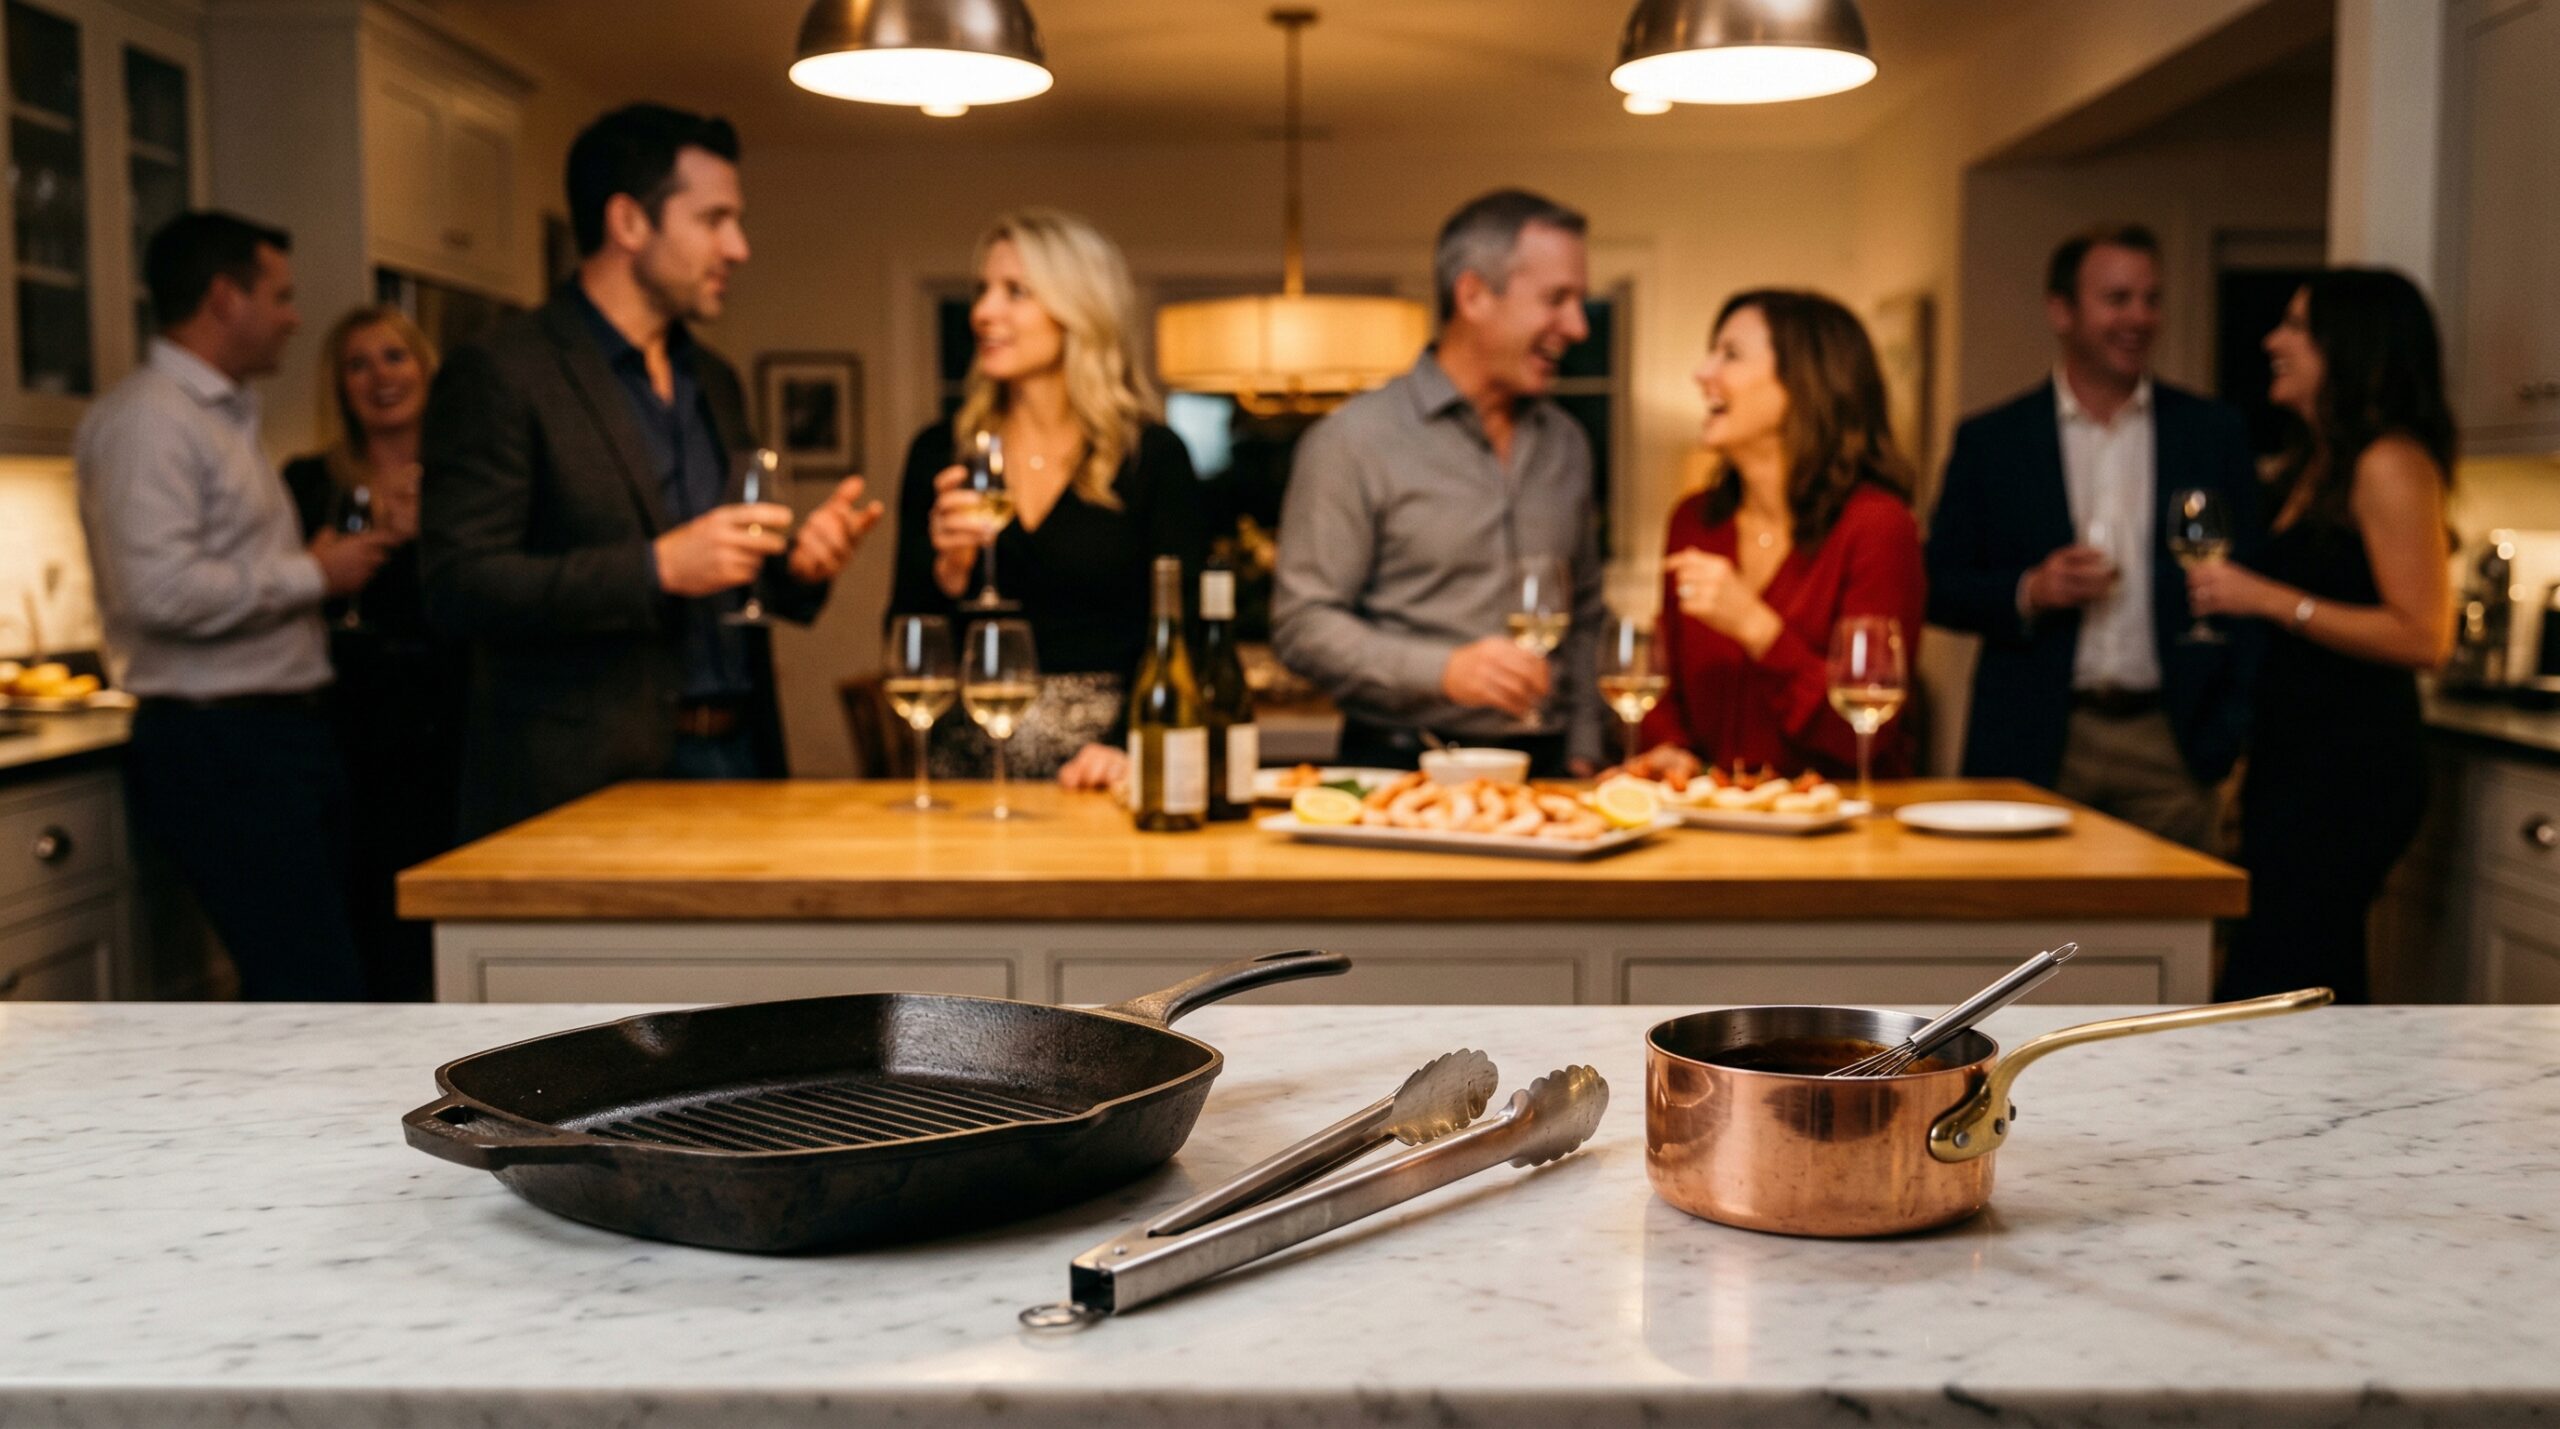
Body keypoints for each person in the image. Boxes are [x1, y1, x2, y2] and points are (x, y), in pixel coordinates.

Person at [420, 104, 882, 840]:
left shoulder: (716, 380)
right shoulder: (505, 371)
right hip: (584, 780)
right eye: (714, 219)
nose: (739, 247)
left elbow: (732, 575)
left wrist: (800, 567)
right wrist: (653, 568)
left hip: (741, 758)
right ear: (630, 222)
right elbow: (457, 586)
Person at [74, 211, 391, 1000]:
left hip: (272, 733)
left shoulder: (220, 414)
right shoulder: (151, 419)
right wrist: (314, 573)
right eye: (279, 296)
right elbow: (159, 591)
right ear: (225, 297)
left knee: (316, 984)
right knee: (311, 991)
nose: (292, 317)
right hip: (222, 742)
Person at [1925, 223, 2257, 851]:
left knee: (2168, 942)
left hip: (2170, 741)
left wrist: (2225, 734)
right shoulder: (1993, 441)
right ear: (2062, 311)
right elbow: (1937, 585)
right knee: (2030, 935)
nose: (2139, 317)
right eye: (2117, 298)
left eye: (2151, 298)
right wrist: (2030, 589)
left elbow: (2252, 587)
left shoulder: (2212, 433)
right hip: (2036, 734)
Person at [1273, 189, 1606, 776]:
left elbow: (1584, 615)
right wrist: (1443, 671)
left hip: (1551, 774)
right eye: (1557, 299)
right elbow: (1303, 626)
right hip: (1401, 768)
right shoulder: (1353, 441)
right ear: (1474, 295)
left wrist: (1583, 747)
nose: (1578, 326)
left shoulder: (1568, 447)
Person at [2188, 270, 2454, 1004]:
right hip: (2297, 758)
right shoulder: (2318, 462)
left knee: (2286, 979)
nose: (2274, 340)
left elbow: (2425, 634)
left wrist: (2267, 598)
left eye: (2298, 326)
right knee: (2299, 975)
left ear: (2351, 346)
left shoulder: (2389, 462)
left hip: (2350, 769)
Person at [887, 209, 1204, 788]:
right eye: (983, 290)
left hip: (1103, 772)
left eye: (1016, 292)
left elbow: (1180, 635)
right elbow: (906, 639)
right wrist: (951, 571)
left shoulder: (1152, 457)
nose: (983, 312)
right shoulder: (942, 452)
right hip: (970, 771)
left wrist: (1126, 747)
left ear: (1079, 309)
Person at [1618, 290, 1925, 782]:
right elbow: (1664, 681)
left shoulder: (1877, 526)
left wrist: (1756, 627)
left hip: (1841, 830)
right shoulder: (1695, 522)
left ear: (1803, 384)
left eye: (1730, 355)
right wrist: (1671, 748)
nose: (1702, 373)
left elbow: (1862, 735)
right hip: (1715, 827)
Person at [280, 306, 457, 1000]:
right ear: (340, 384)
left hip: (448, 721)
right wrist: (321, 565)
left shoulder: (463, 478)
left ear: (423, 367)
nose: (379, 376)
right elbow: (281, 588)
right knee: (356, 909)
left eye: (394, 356)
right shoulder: (308, 480)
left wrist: (429, 536)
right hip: (344, 723)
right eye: (358, 363)